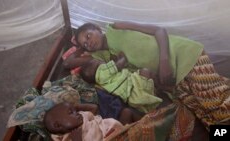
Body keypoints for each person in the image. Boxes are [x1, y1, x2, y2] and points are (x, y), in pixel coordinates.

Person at [64, 22, 230, 129]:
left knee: (214, 103)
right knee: (204, 114)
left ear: (98, 28)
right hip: (174, 80)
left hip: (184, 55)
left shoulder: (116, 27)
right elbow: (67, 63)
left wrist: (164, 60)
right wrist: (79, 46)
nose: (89, 42)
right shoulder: (107, 58)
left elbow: (159, 30)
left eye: (88, 35)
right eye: (86, 43)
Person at [80, 52, 162, 113]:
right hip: (132, 87)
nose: (104, 62)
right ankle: (161, 87)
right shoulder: (102, 71)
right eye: (99, 61)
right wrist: (122, 57)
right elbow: (119, 65)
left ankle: (154, 95)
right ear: (96, 64)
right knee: (145, 72)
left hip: (131, 99)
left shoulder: (100, 84)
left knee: (149, 102)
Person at [43, 102, 143, 141]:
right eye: (71, 112)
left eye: (75, 111)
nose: (76, 113)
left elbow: (94, 108)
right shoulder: (64, 138)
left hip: (117, 128)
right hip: (111, 138)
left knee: (127, 112)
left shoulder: (81, 116)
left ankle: (149, 122)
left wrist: (78, 107)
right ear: (57, 125)